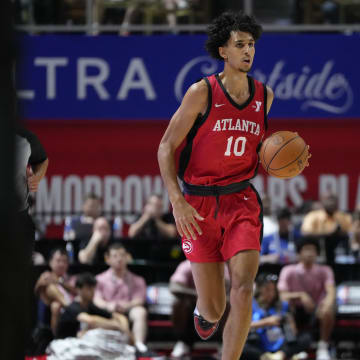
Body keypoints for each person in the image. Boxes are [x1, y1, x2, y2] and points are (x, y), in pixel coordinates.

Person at [158, 11, 310, 360]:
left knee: (244, 287)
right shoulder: (202, 92)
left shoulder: (264, 96)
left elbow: (258, 151)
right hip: (196, 204)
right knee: (214, 308)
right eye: (239, 44)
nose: (247, 51)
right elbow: (166, 147)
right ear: (223, 51)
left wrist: (292, 159)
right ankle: (205, 311)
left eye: (251, 44)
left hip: (240, 200)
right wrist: (177, 202)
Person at [277, 237, 336, 360]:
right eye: (306, 250)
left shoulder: (325, 270)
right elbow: (282, 295)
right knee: (284, 308)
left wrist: (326, 304)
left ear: (317, 253)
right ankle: (288, 348)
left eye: (313, 250)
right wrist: (300, 295)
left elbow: (331, 292)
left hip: (316, 310)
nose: (309, 253)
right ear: (299, 252)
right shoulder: (288, 270)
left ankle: (323, 346)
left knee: (328, 310)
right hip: (294, 311)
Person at [93, 242, 149, 354]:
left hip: (128, 310)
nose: (119, 259)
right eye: (115, 256)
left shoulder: (138, 280)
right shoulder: (99, 279)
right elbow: (96, 299)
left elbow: (140, 300)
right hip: (108, 311)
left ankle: (139, 346)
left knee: (140, 311)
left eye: (122, 255)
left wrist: (127, 306)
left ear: (127, 257)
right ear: (107, 259)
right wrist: (108, 306)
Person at [241, 272, 311, 360]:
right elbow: (242, 328)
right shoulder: (250, 305)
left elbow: (293, 333)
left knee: (306, 337)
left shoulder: (283, 305)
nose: (270, 293)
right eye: (267, 289)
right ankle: (266, 357)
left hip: (280, 342)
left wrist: (290, 323)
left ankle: (280, 355)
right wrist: (265, 322)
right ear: (259, 290)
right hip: (259, 342)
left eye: (273, 290)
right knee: (240, 345)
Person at [56, 272, 130, 340]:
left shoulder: (90, 305)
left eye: (93, 289)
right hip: (65, 342)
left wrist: (124, 327)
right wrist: (116, 325)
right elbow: (90, 320)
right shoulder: (73, 307)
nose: (92, 292)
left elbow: (116, 316)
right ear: (78, 289)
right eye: (89, 289)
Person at [301, 193, 352, 264]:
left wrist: (337, 233)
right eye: (328, 200)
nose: (331, 202)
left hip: (338, 251)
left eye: (333, 200)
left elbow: (350, 233)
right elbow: (305, 233)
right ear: (322, 201)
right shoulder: (313, 216)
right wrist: (328, 234)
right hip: (318, 249)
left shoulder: (343, 216)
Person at [35, 247, 77, 332]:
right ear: (50, 262)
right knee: (52, 295)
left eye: (64, 261)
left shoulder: (72, 278)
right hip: (56, 309)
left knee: (56, 305)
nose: (61, 264)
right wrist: (40, 283)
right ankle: (69, 307)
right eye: (58, 261)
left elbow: (76, 291)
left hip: (70, 310)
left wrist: (59, 282)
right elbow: (37, 293)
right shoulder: (46, 276)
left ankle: (69, 307)